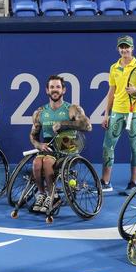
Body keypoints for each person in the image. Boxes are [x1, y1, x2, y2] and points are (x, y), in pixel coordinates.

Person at [29, 75, 92, 214]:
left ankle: (54, 196)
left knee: (46, 162)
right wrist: (38, 145)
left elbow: (88, 126)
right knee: (36, 163)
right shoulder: (39, 112)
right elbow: (33, 135)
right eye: (52, 87)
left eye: (58, 87)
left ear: (63, 90)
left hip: (67, 146)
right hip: (48, 147)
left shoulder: (72, 109)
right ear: (47, 90)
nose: (54, 90)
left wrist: (63, 124)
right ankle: (42, 194)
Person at [101, 35, 136, 195]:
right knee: (107, 147)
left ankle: (133, 183)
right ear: (118, 49)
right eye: (122, 47)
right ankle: (105, 182)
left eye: (127, 47)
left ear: (132, 48)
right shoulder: (113, 67)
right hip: (117, 112)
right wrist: (106, 114)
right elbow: (111, 91)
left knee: (135, 147)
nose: (125, 50)